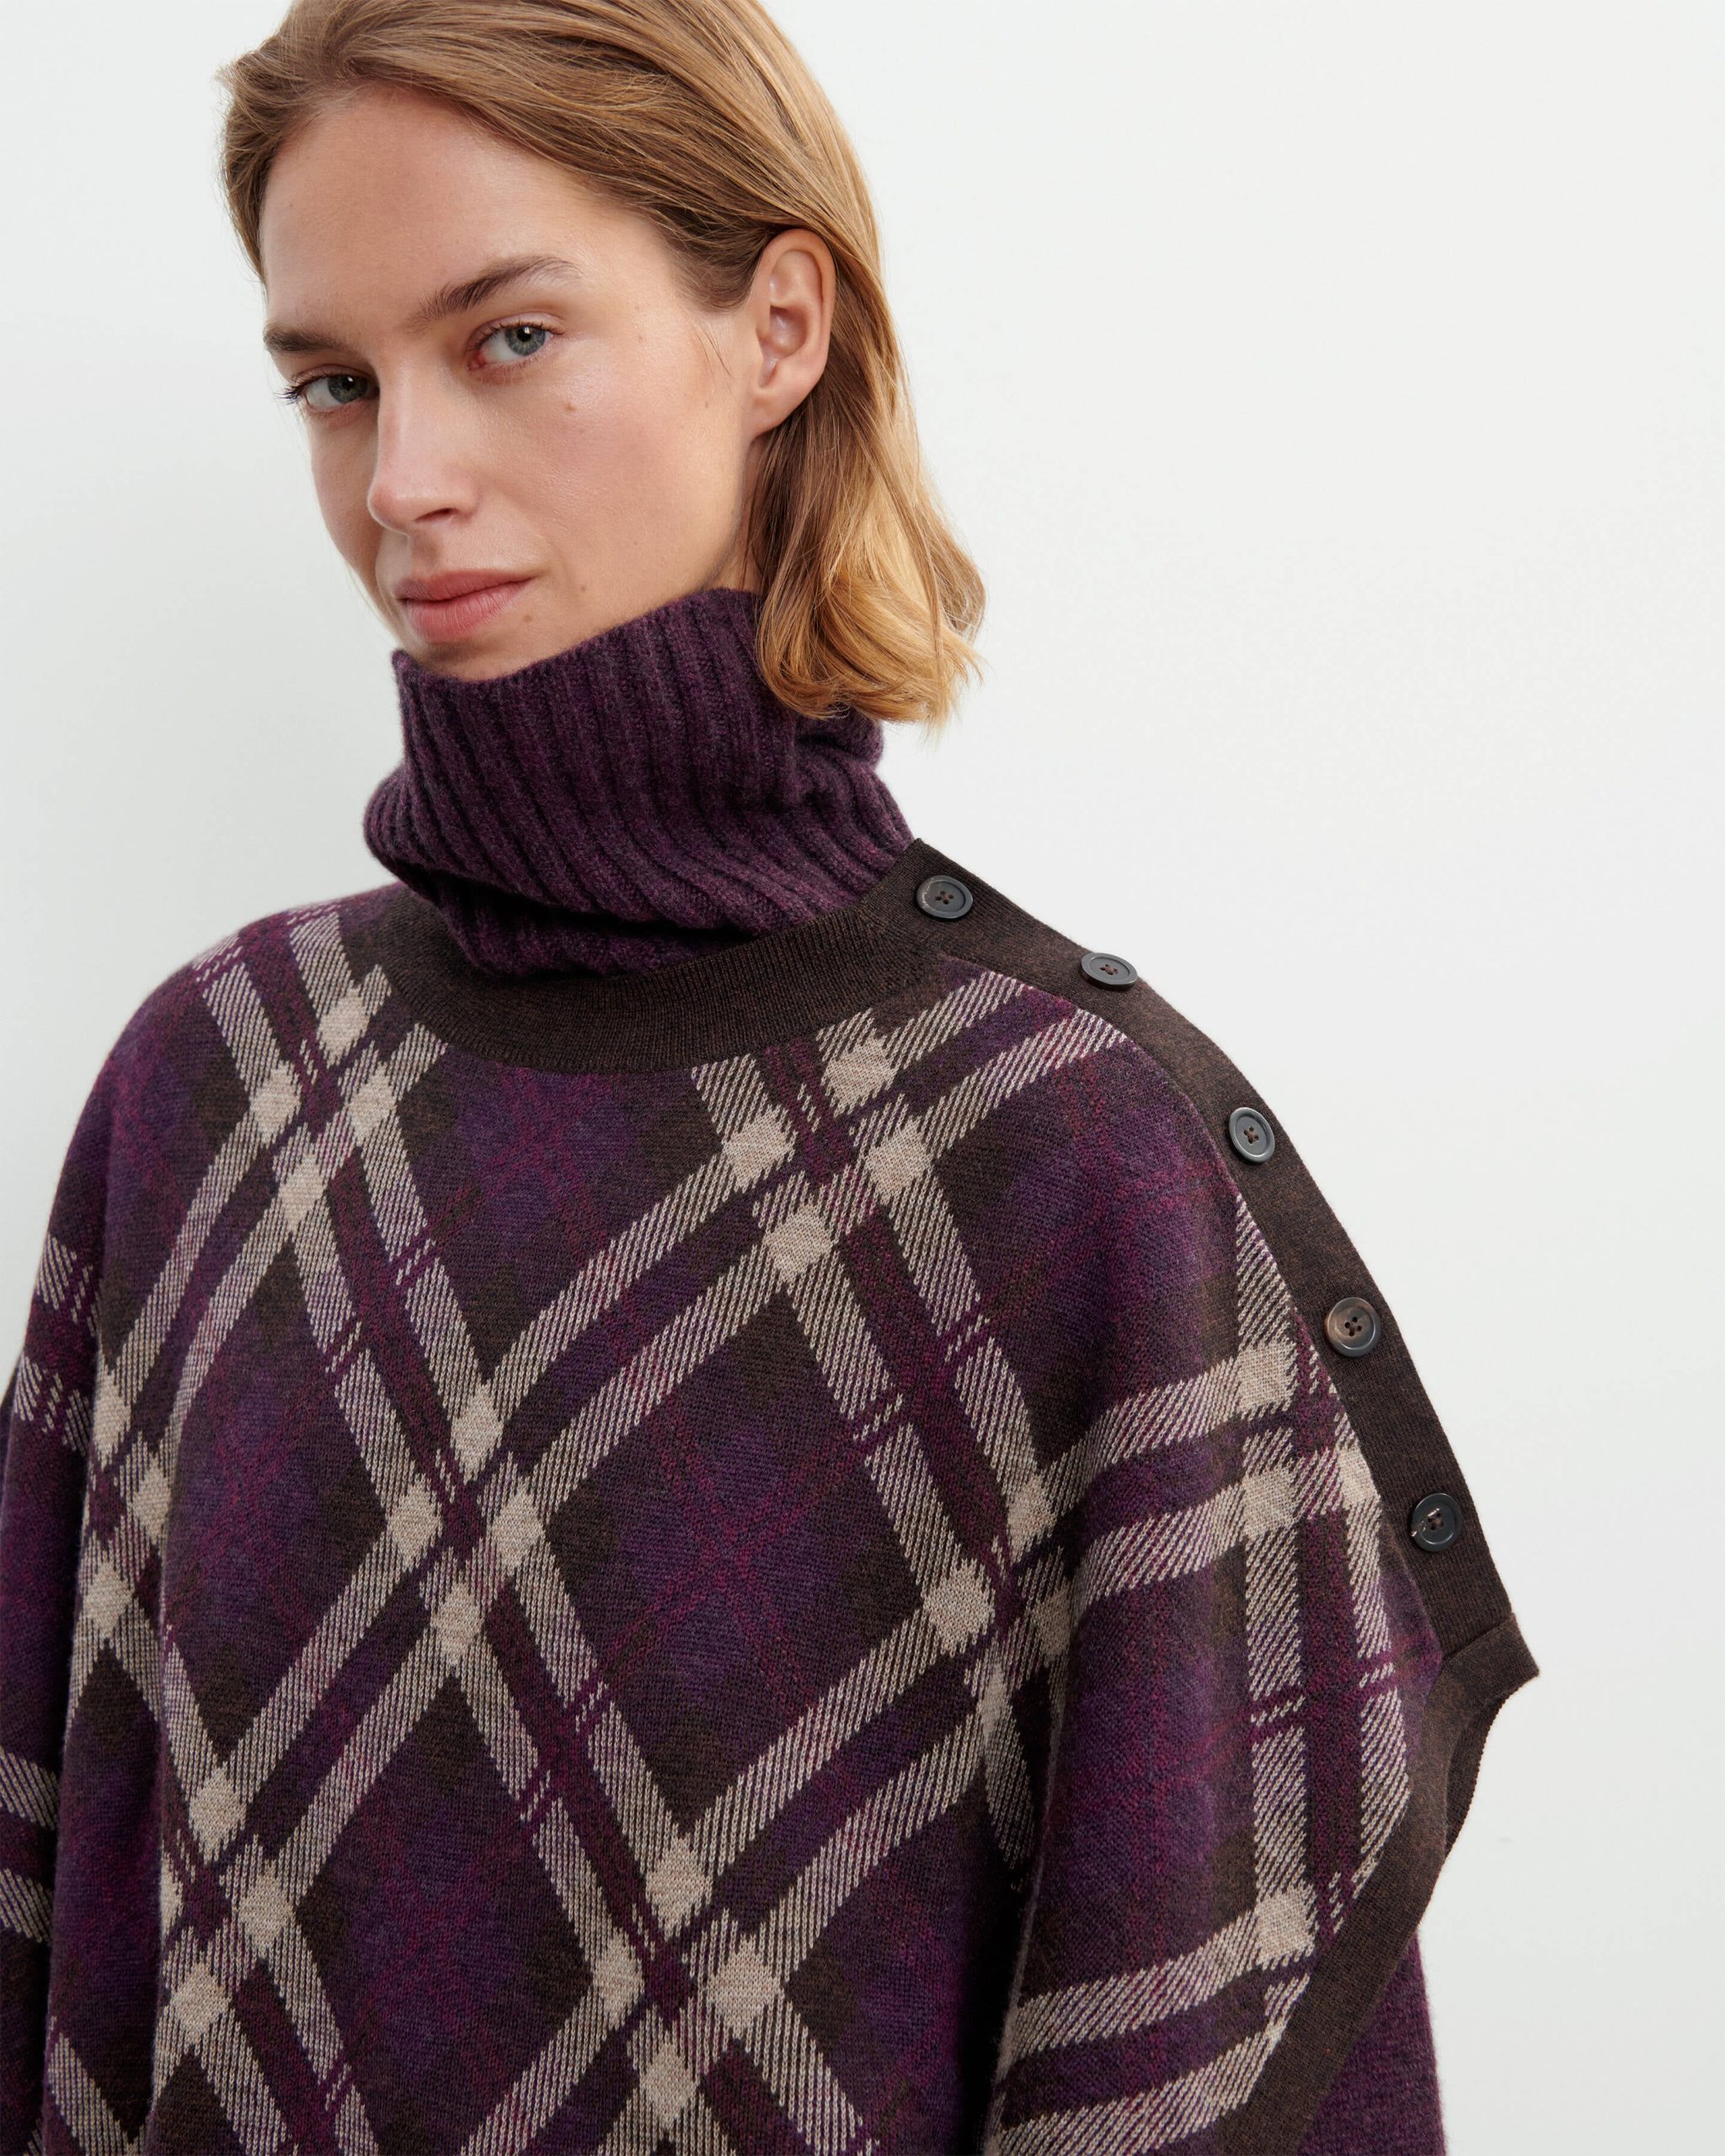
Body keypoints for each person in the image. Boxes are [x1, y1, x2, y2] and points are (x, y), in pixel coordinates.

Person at [0, 3, 1535, 2150]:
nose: (403, 479)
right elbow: (65, 1921)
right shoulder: (218, 1087)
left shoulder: (1068, 1151)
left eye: (509, 336)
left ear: (780, 327)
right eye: (334, 382)